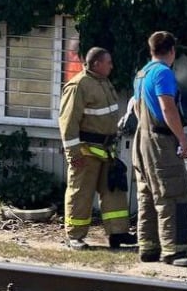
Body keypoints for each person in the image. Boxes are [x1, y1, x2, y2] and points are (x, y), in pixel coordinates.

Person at [59, 47, 137, 250]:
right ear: (96, 64)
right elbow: (68, 123)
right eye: (108, 62)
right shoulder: (78, 86)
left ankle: (117, 233)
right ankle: (75, 236)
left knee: (113, 191)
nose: (111, 66)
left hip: (106, 150)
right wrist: (73, 154)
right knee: (81, 193)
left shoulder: (103, 82)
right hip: (85, 151)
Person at [131, 31, 187, 267]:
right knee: (173, 194)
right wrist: (182, 139)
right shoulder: (163, 73)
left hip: (142, 140)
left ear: (151, 50)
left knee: (147, 195)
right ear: (172, 51)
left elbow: (138, 108)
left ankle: (148, 249)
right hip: (160, 143)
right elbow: (167, 108)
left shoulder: (141, 73)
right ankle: (174, 252)